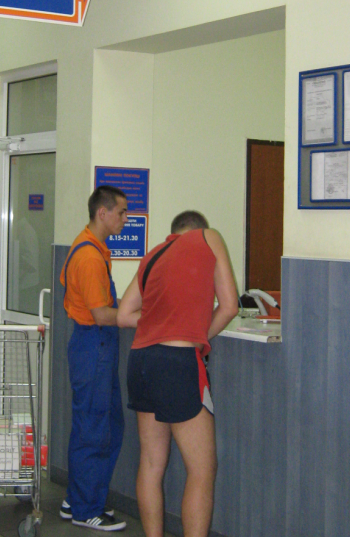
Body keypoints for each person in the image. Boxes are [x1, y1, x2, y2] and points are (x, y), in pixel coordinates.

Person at [117, 211, 239, 537]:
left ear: (173, 233)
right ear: (198, 229)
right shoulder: (209, 237)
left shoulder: (153, 255)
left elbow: (124, 315)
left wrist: (161, 317)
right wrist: (198, 336)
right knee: (201, 469)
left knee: (151, 463)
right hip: (177, 361)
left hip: (141, 361)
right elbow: (230, 306)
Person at [59, 185, 129, 532]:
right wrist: (141, 317)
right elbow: (102, 314)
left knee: (104, 424)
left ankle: (77, 499)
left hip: (96, 347)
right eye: (121, 212)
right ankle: (86, 509)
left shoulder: (94, 247)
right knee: (94, 428)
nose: (126, 218)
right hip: (93, 346)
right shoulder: (88, 256)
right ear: (103, 213)